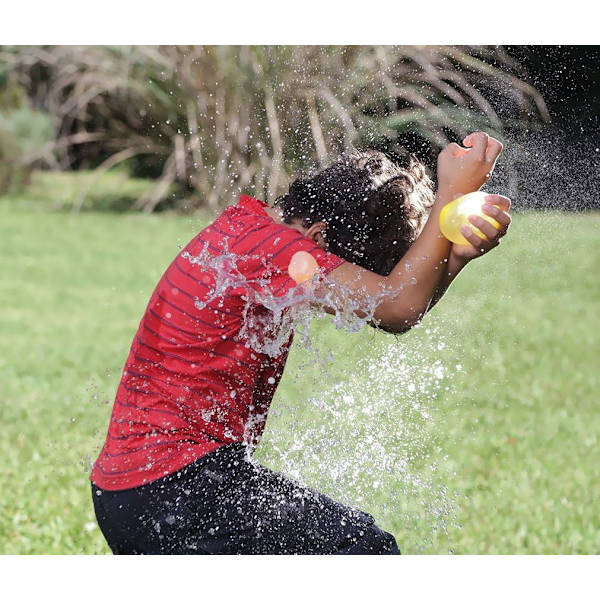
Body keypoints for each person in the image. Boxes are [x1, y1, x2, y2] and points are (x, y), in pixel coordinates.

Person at [90, 131, 511, 554]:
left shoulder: (251, 231)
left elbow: (395, 307)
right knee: (363, 550)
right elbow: (394, 304)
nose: (334, 272)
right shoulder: (281, 253)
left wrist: (451, 260)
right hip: (176, 491)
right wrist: (452, 192)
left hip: (145, 492)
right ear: (320, 237)